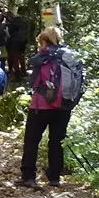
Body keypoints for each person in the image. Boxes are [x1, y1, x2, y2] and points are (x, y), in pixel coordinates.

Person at [20, 25, 84, 187]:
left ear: (44, 41)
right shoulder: (70, 56)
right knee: (57, 140)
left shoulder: (43, 57)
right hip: (64, 105)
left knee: (32, 140)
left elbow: (34, 82)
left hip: (41, 106)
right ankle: (54, 177)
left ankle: (28, 176)